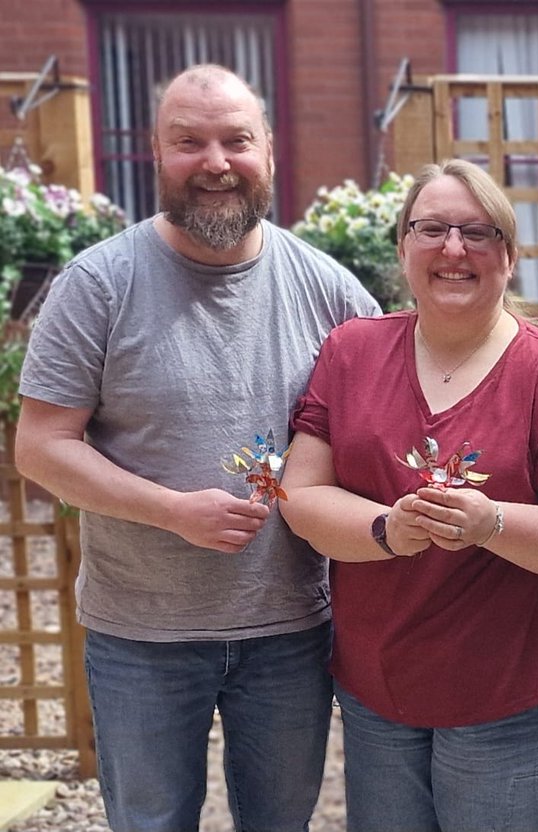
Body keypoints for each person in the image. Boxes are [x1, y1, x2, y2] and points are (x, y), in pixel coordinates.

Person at [14, 64, 380, 831]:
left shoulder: (336, 295)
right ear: (157, 152)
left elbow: (372, 449)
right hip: (139, 633)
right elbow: (42, 447)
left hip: (289, 627)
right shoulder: (97, 285)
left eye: (235, 140)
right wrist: (171, 510)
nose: (215, 162)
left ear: (269, 151)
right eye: (189, 142)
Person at [277, 158, 538, 832]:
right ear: (402, 247)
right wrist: (388, 528)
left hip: (515, 700)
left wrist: (491, 522)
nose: (453, 250)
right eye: (432, 229)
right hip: (378, 696)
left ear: (510, 255)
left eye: (478, 233)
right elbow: (302, 494)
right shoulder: (351, 353)